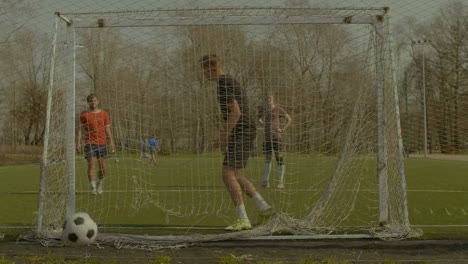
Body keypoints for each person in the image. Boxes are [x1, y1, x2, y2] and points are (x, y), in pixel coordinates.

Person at [200, 54, 273, 231]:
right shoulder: (227, 81)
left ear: (212, 67)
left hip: (242, 131)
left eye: (204, 70)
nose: (203, 74)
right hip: (243, 131)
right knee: (236, 173)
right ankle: (264, 207)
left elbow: (236, 112)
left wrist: (224, 135)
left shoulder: (224, 83)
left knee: (227, 173)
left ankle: (243, 220)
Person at [76, 93, 115, 195]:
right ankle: (93, 187)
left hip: (102, 144)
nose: (93, 103)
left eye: (95, 100)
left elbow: (107, 129)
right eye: (91, 101)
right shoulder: (83, 114)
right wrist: (78, 143)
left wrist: (111, 141)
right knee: (91, 166)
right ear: (88, 102)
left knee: (103, 168)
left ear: (98, 101)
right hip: (89, 143)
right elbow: (79, 129)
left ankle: (99, 183)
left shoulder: (104, 114)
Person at [258, 94, 292, 189]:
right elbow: (259, 119)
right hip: (267, 138)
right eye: (267, 98)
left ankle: (281, 181)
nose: (268, 100)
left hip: (276, 137)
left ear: (273, 100)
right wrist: (263, 123)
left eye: (270, 98)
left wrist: (282, 129)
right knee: (267, 158)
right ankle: (266, 181)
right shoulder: (264, 110)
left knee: (278, 157)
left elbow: (289, 119)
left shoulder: (278, 109)